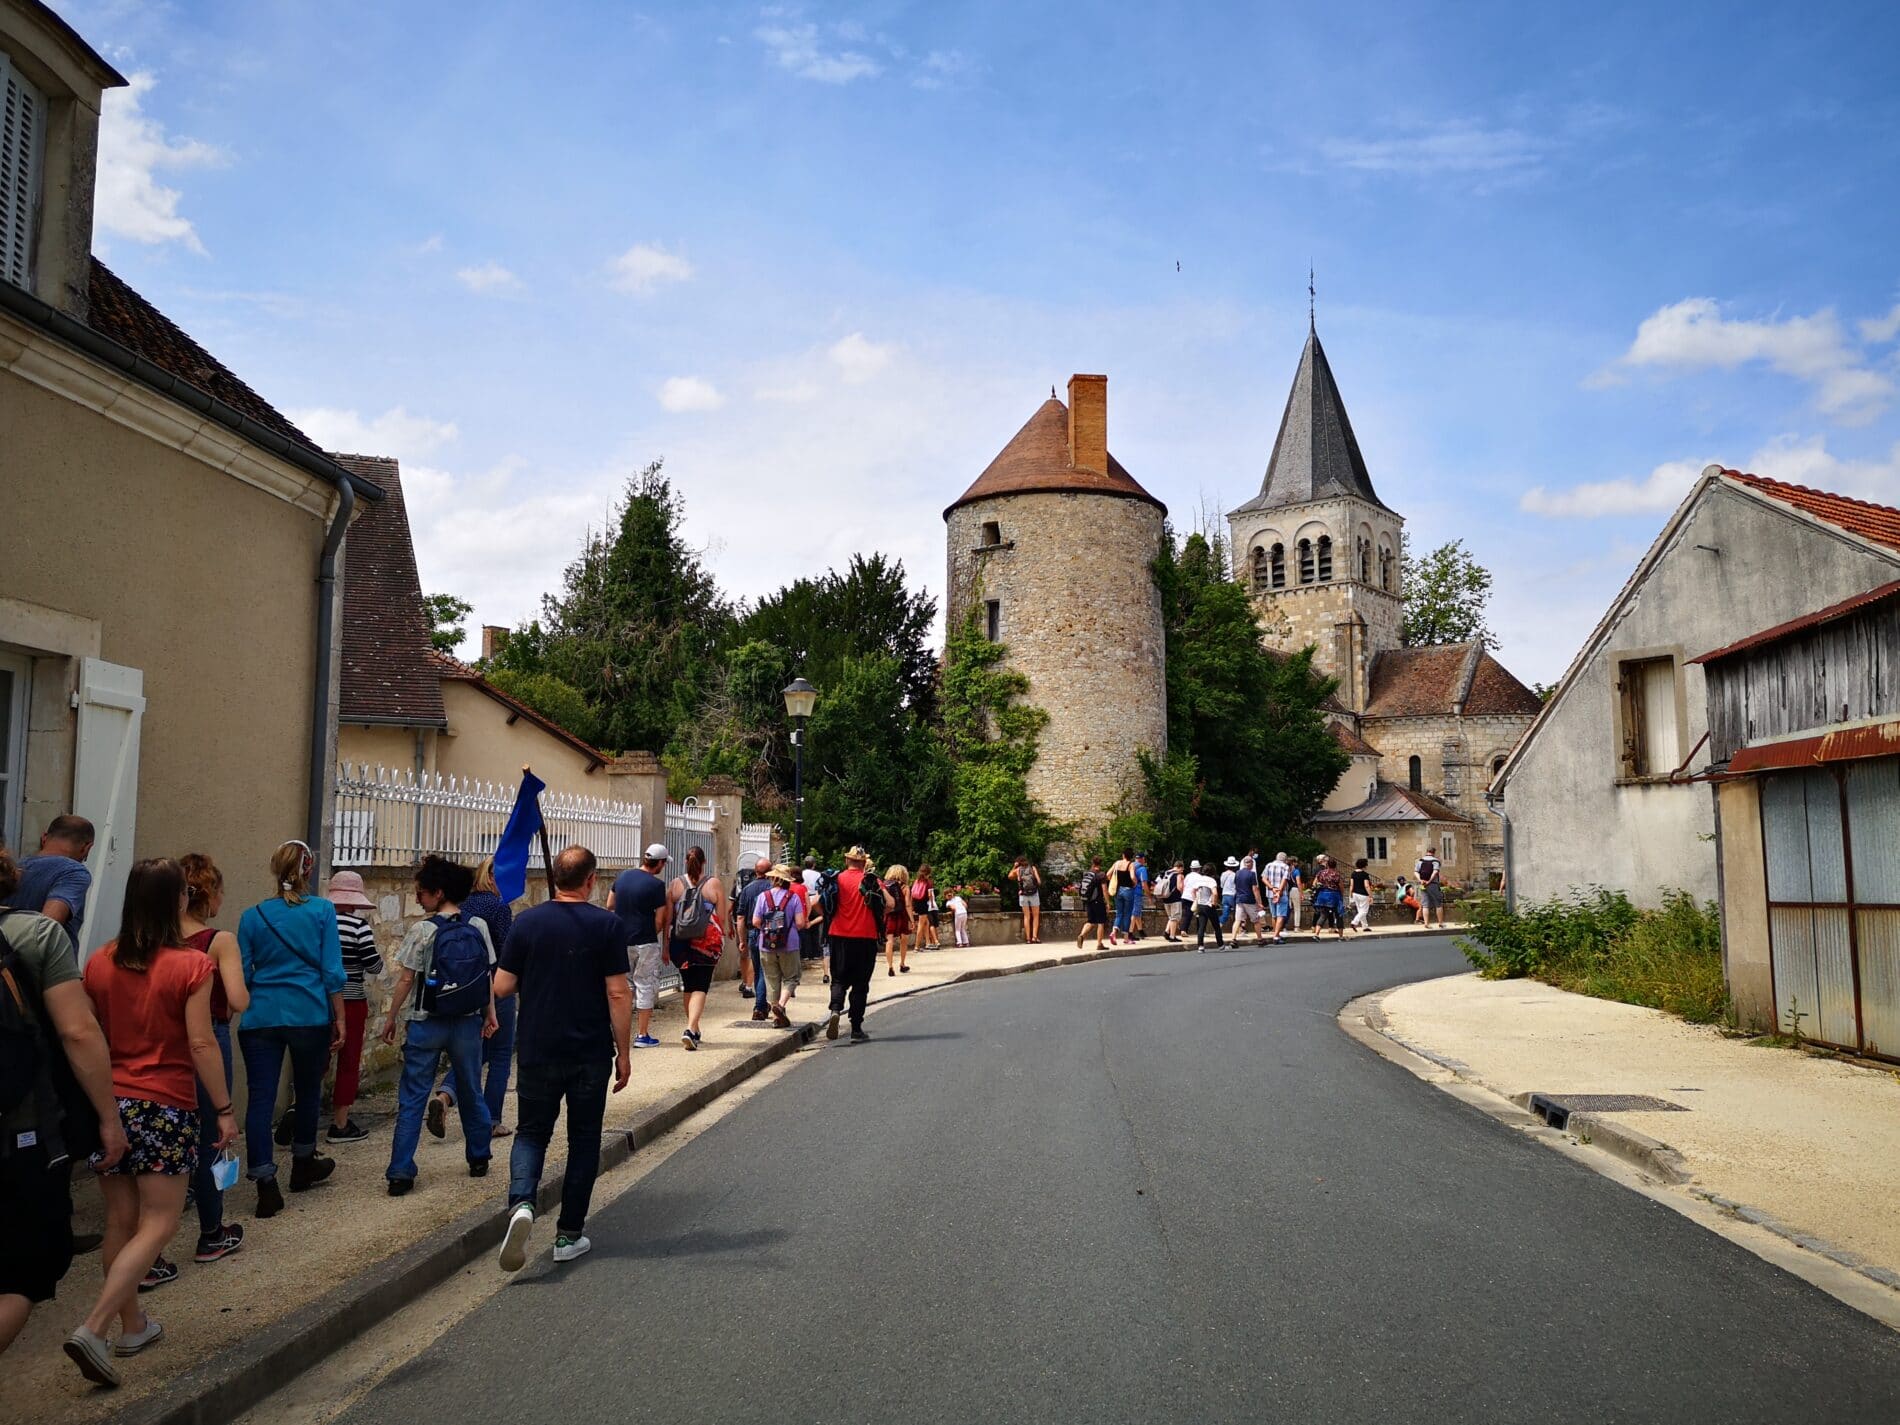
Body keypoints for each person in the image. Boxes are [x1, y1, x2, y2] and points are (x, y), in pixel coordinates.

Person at [64, 859, 235, 1388]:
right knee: (159, 1223)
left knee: (121, 1220)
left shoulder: (98, 962)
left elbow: (89, 1032)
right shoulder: (191, 966)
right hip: (164, 1102)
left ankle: (133, 1323)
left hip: (111, 1104)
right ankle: (94, 1327)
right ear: (178, 902)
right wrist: (225, 1109)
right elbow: (202, 1042)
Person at [0, 844, 125, 1360]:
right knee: (24, 1269)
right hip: (21, 1133)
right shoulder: (34, 935)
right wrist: (108, 1118)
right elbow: (78, 1033)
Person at [495, 847, 631, 1272]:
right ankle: (569, 1234)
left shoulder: (526, 923)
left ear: (555, 877)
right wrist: (624, 1051)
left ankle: (521, 1204)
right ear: (590, 880)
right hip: (589, 1051)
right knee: (584, 1140)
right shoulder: (607, 925)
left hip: (538, 1046)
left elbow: (501, 986)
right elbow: (618, 992)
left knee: (532, 1132)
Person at [153, 855, 249, 1289]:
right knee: (213, 1131)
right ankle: (212, 1233)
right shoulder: (217, 939)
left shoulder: (152, 937)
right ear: (207, 894)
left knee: (164, 1134)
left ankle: (150, 1253)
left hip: (157, 1042)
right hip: (207, 1036)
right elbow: (238, 999)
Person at [237, 841, 343, 1216]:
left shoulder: (252, 917)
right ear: (309, 870)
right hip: (308, 1013)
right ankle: (302, 1163)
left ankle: (265, 1181)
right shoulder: (322, 911)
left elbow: (244, 971)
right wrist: (340, 1018)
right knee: (308, 1090)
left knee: (260, 1098)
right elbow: (332, 970)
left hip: (261, 1017)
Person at [379, 857, 496, 1196]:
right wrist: (491, 1013)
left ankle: (401, 1171)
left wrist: (391, 1016)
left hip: (426, 1021)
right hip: (466, 1022)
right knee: (472, 1090)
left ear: (438, 893)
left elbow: (405, 979)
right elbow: (485, 975)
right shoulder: (477, 925)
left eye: (422, 893)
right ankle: (478, 1156)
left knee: (413, 1096)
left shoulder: (422, 930)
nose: (418, 898)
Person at [428, 858, 514, 1140]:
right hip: (495, 986)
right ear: (490, 875)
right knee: (500, 1052)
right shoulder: (498, 907)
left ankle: (445, 1096)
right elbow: (508, 950)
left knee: (475, 1051)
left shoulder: (464, 905)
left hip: (463, 989)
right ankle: (491, 1119)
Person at [319, 870, 382, 1146]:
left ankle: (300, 1114)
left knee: (317, 1061)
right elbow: (374, 964)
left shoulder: (320, 922)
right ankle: (340, 1123)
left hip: (320, 1000)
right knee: (348, 1063)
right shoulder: (359, 927)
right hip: (352, 1000)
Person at [606, 843, 671, 1049]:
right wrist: (651, 931)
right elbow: (660, 919)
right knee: (645, 985)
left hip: (620, 940)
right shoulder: (657, 886)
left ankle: (618, 1034)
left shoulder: (623, 876)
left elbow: (609, 904)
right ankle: (642, 1035)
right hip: (645, 941)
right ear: (659, 863)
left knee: (623, 988)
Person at [2, 814, 95, 949]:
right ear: (87, 848)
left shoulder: (12, 868)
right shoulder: (73, 872)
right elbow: (46, 926)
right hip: (46, 967)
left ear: (44, 837)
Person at [824, 847, 888, 1043]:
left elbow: (818, 903)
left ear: (847, 861)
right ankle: (856, 1028)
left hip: (839, 935)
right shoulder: (871, 880)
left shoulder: (837, 879)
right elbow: (891, 903)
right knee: (861, 984)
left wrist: (831, 917)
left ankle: (835, 1010)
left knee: (839, 979)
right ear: (863, 863)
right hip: (865, 937)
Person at [666, 847, 724, 1050]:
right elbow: (722, 917)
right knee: (700, 986)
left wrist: (666, 947)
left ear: (685, 861)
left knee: (688, 985)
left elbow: (668, 920)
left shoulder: (675, 884)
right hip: (705, 943)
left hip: (680, 942)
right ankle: (690, 1029)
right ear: (704, 862)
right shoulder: (713, 883)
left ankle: (695, 1028)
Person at [752, 865, 807, 1029]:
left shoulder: (763, 897)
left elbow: (755, 921)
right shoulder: (793, 897)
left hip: (766, 944)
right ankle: (781, 1006)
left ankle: (777, 1016)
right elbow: (800, 922)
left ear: (773, 879)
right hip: (789, 944)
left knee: (771, 979)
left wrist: (768, 929)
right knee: (792, 978)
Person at [731, 857, 773, 1022]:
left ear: (756, 871)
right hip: (769, 933)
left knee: (757, 970)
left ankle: (762, 1005)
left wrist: (742, 940)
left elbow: (740, 917)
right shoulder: (772, 888)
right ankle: (760, 1006)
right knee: (765, 971)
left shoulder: (747, 890)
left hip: (752, 933)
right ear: (770, 872)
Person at [1183, 860, 1222, 950]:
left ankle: (1200, 946)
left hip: (1200, 905)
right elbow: (1215, 893)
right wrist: (1214, 903)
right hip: (1208, 905)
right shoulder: (1211, 880)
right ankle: (1221, 945)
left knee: (1201, 926)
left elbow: (1193, 891)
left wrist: (1195, 899)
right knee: (1216, 926)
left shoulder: (1199, 879)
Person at [1074, 857, 1110, 951]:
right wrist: (1108, 902)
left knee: (1091, 921)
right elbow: (1104, 889)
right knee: (1101, 923)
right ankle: (1099, 944)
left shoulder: (1087, 873)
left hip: (1088, 900)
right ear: (1100, 864)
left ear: (1092, 863)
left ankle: (1081, 935)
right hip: (1098, 901)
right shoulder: (1101, 875)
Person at [882, 864, 912, 976]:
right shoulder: (905, 887)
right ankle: (902, 964)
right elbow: (908, 904)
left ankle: (890, 967)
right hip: (901, 915)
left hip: (889, 915)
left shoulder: (885, 885)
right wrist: (912, 920)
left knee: (889, 941)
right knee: (903, 939)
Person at [1232, 855, 1266, 946]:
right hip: (1249, 899)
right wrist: (1259, 903)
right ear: (1250, 864)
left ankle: (1233, 939)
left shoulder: (1237, 873)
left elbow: (1235, 886)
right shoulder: (1252, 874)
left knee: (1238, 920)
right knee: (1256, 920)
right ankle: (1260, 939)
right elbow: (1255, 889)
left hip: (1239, 899)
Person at [1262, 852, 1293, 945]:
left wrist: (1272, 888)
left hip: (1270, 893)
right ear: (1285, 859)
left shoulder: (1268, 865)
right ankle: (1276, 936)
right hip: (1282, 893)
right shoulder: (1285, 867)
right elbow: (1284, 879)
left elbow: (1263, 878)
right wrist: (1279, 891)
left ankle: (1276, 934)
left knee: (1274, 915)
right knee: (1281, 915)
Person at [1312, 856, 1347, 938]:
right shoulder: (1336, 874)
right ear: (1335, 866)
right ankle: (1341, 936)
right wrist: (1342, 896)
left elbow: (1314, 883)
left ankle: (1316, 934)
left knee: (1323, 915)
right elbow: (1341, 887)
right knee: (1339, 915)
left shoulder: (1321, 873)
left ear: (1327, 865)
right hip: (1334, 896)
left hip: (1322, 895)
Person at [1108, 849, 1137, 945]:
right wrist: (1135, 883)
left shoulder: (1117, 863)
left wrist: (1113, 881)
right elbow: (1132, 877)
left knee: (1119, 913)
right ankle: (1126, 938)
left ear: (1123, 855)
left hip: (1118, 890)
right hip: (1128, 890)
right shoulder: (1130, 864)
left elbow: (1108, 874)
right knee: (1127, 914)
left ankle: (1114, 933)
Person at [1011, 856, 1042, 945]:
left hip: (1023, 894)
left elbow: (1009, 876)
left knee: (1026, 916)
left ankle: (1028, 939)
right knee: (1036, 916)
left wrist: (1014, 867)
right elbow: (1039, 881)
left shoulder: (1017, 870)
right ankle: (1035, 937)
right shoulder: (1032, 868)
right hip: (1034, 893)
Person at [910, 864, 939, 953]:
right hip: (923, 904)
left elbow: (912, 893)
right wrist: (932, 904)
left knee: (926, 922)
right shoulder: (928, 882)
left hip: (916, 903)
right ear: (928, 872)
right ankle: (916, 947)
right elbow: (930, 895)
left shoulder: (916, 881)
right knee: (921, 925)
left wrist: (912, 906)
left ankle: (927, 943)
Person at [1416, 849, 1447, 927]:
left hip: (1423, 884)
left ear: (1427, 852)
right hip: (1433, 884)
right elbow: (1435, 871)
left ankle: (1426, 923)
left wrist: (1421, 880)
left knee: (1425, 905)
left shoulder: (1420, 860)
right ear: (1434, 853)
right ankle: (1440, 923)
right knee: (1438, 904)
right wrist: (1429, 881)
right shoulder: (1435, 861)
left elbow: (1415, 872)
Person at [1156, 860, 1186, 943]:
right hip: (1175, 898)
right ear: (1179, 867)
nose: (1182, 871)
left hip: (1165, 898)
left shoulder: (1166, 873)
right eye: (1182, 869)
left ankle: (1166, 932)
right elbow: (1179, 887)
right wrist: (1183, 892)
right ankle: (1172, 936)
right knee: (1175, 918)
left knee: (1171, 917)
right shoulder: (1179, 875)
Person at [1349, 859, 1376, 933]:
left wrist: (1350, 894)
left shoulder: (1353, 873)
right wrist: (1370, 896)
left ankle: (1365, 926)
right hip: (1363, 894)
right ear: (1364, 865)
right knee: (1364, 911)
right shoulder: (1365, 874)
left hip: (1355, 894)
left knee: (1360, 910)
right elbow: (1367, 886)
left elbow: (1351, 885)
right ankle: (1354, 922)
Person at [1131, 853, 1150, 940]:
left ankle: (1140, 931)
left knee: (1137, 912)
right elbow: (1144, 884)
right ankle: (1130, 933)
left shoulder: (1130, 866)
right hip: (1136, 892)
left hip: (1127, 892)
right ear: (1142, 859)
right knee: (1135, 913)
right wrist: (1148, 895)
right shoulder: (1142, 869)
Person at [1219, 857, 1239, 930]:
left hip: (1224, 895)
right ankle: (1239, 929)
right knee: (1238, 913)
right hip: (1232, 895)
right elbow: (1237, 886)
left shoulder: (1223, 874)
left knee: (1225, 914)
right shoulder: (1235, 875)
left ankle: (1218, 926)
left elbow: (1221, 885)